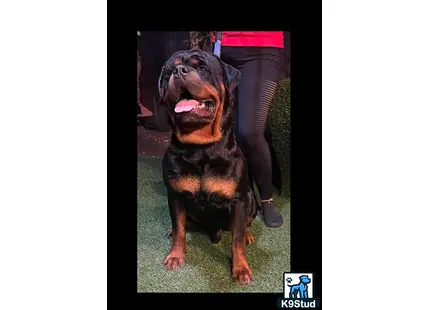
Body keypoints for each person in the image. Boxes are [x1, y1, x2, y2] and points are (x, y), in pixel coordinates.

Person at [215, 31, 285, 228]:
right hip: (221, 47)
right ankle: (241, 190)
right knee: (226, 127)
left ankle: (266, 199)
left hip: (262, 50)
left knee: (250, 131)